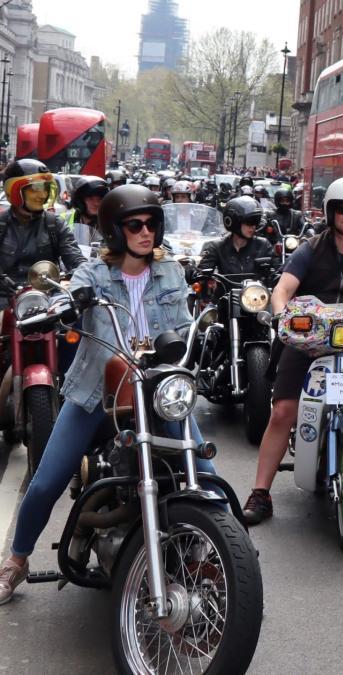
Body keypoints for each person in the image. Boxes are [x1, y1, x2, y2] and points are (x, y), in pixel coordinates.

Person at [0, 184, 220, 605]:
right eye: (135, 225)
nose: (146, 232)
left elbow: (184, 323)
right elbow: (63, 297)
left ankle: (228, 561)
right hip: (97, 394)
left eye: (152, 224)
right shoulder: (93, 274)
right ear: (114, 230)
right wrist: (55, 307)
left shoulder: (170, 271)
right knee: (46, 481)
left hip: (156, 389)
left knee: (206, 472)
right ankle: (16, 559)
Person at [241, 177, 343, 524]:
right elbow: (283, 288)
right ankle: (260, 492)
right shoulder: (309, 249)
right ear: (330, 212)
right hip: (308, 340)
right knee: (283, 410)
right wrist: (283, 314)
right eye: (342, 209)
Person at [0, 159, 87, 285]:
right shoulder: (1, 224)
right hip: (5, 298)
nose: (42, 195)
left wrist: (83, 271)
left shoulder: (54, 223)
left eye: (45, 189)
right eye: (35, 189)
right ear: (14, 191)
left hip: (46, 297)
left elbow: (74, 256)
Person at [198, 196, 279, 276]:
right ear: (234, 221)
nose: (253, 226)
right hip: (226, 289)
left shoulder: (263, 245)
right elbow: (202, 272)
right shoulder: (218, 247)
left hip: (256, 289)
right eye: (250, 221)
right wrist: (191, 271)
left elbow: (277, 270)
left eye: (256, 221)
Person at [64, 175, 108, 253]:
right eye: (90, 199)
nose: (96, 203)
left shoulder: (108, 224)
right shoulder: (64, 220)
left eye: (99, 199)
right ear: (80, 201)